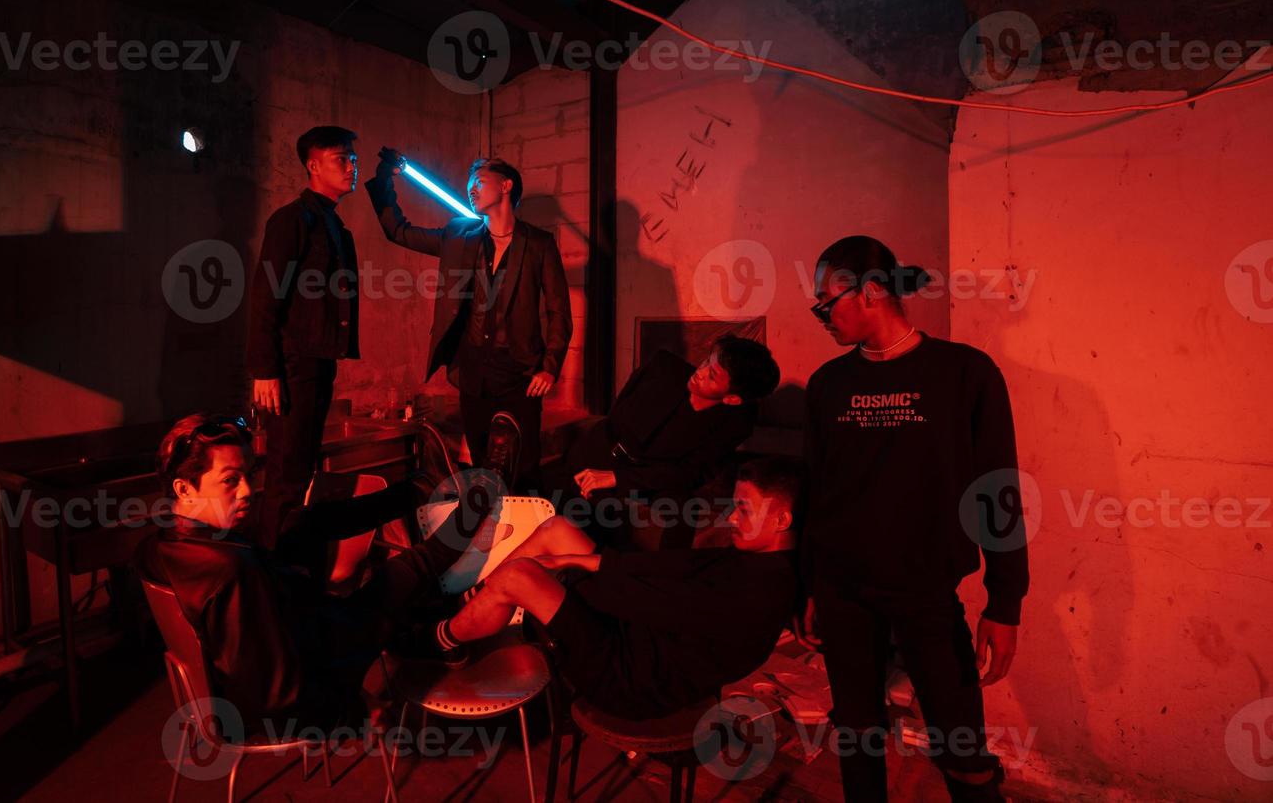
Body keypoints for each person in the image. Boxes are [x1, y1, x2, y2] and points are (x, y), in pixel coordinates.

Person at [801, 235, 1029, 802]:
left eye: (826, 303)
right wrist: (809, 583)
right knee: (856, 733)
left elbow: (997, 490)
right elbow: (817, 489)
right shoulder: (829, 384)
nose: (821, 318)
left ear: (872, 290)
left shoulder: (964, 374)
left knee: (960, 742)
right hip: (843, 592)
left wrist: (1005, 602)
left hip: (927, 592)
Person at [136, 412, 510, 734]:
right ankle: (487, 492)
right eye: (230, 480)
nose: (248, 490)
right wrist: (356, 709)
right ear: (184, 488)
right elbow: (277, 697)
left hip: (292, 626)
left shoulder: (162, 545)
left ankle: (413, 490)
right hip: (320, 664)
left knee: (302, 523)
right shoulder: (231, 572)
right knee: (406, 569)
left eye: (248, 475)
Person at [427, 458, 802, 721]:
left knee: (519, 577)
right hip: (636, 633)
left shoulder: (761, 593)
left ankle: (440, 640)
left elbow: (647, 602)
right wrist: (577, 562)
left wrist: (569, 585)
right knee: (556, 531)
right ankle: (476, 603)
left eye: (745, 510)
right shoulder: (750, 557)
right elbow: (666, 567)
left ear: (782, 519)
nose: (732, 518)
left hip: (631, 677)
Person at [365, 150, 572, 491]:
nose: (471, 189)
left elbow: (558, 311)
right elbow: (397, 232)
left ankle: (528, 540)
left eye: (479, 181)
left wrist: (550, 365)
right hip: (473, 372)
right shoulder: (459, 234)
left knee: (524, 470)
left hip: (521, 375)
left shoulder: (538, 243)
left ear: (506, 185)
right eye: (469, 184)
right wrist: (385, 177)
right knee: (481, 470)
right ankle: (487, 537)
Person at [552, 334, 780, 547]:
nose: (700, 371)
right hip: (605, 448)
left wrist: (621, 479)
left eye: (712, 376)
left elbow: (691, 472)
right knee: (568, 504)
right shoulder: (663, 368)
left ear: (731, 398)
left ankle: (661, 582)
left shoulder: (736, 422)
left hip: (651, 475)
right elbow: (618, 416)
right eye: (705, 362)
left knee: (682, 516)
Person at [246, 126, 360, 547]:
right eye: (341, 159)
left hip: (315, 362)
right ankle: (271, 580)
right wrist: (265, 370)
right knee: (285, 475)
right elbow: (265, 296)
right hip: (292, 366)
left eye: (351, 157)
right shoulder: (293, 220)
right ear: (313, 166)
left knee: (298, 472)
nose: (351, 166)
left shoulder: (330, 224)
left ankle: (285, 574)